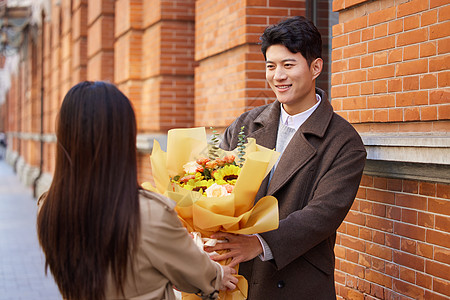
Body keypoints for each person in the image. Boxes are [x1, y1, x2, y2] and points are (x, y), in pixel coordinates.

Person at [205, 16, 367, 299]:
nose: (277, 76)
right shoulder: (246, 125)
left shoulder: (343, 141)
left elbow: (323, 214)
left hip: (296, 280)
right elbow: (211, 183)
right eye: (271, 66)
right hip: (236, 273)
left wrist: (259, 242)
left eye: (288, 65)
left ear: (316, 67)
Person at [36, 81, 238, 300]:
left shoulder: (49, 208)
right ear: (122, 138)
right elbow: (193, 273)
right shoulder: (147, 213)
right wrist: (218, 274)